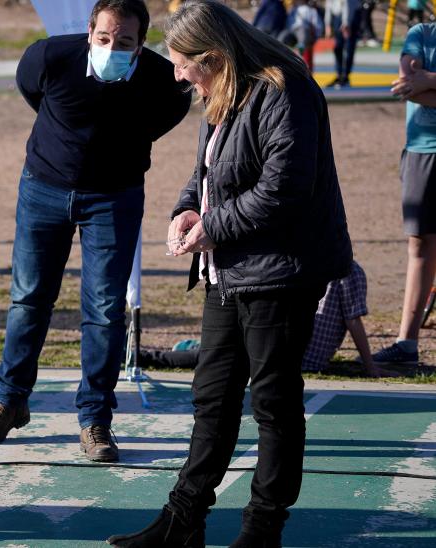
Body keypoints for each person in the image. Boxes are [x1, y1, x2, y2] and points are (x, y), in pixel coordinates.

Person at [106, 1, 352, 547]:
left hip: (281, 273)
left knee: (273, 401)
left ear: (214, 56)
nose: (177, 75)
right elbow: (208, 174)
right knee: (212, 396)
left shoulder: (283, 90)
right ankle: (182, 521)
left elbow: (286, 187)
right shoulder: (222, 93)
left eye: (183, 64)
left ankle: (262, 528)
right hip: (228, 270)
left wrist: (215, 225)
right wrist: (186, 211)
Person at [0, 0, 191, 463]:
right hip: (43, 189)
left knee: (106, 309)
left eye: (124, 42)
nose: (112, 47)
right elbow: (33, 92)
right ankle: (9, 401)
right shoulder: (49, 57)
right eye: (104, 38)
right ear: (90, 31)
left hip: (114, 198)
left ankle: (95, 419)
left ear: (141, 43)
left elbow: (167, 116)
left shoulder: (160, 80)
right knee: (28, 297)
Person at [377, 22, 436, 365]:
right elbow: (405, 88)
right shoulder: (421, 33)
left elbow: (416, 85)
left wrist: (426, 80)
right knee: (418, 243)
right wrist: (420, 85)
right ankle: (407, 344)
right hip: (420, 151)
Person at [302, 260, 396, 377]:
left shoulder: (307, 259)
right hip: (310, 361)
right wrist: (370, 366)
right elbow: (353, 321)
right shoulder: (350, 271)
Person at [325, 0, 364, 87]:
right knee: (337, 47)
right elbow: (329, 4)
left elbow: (347, 4)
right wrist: (327, 24)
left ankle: (345, 76)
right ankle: (339, 75)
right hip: (338, 15)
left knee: (349, 46)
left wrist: (346, 23)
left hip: (352, 14)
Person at [287, 0, 324, 72]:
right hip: (303, 39)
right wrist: (316, 36)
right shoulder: (309, 10)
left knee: (302, 59)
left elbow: (289, 24)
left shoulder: (296, 10)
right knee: (307, 59)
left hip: (301, 38)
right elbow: (318, 26)